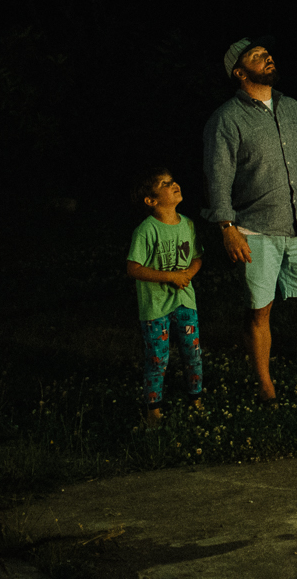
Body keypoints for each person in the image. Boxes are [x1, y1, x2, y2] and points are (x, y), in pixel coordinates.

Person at [204, 37, 297, 402]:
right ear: (240, 72)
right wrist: (227, 228)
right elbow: (218, 177)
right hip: (254, 227)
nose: (268, 57)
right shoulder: (227, 118)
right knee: (260, 309)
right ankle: (265, 384)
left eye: (267, 53)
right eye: (257, 56)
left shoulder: (291, 108)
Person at [125, 167, 204, 426]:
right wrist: (171, 277)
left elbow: (196, 258)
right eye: (165, 183)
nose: (174, 184)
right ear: (151, 200)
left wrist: (188, 274)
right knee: (158, 358)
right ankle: (153, 411)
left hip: (185, 302)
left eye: (173, 181)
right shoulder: (146, 230)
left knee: (192, 353)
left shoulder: (188, 224)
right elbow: (133, 268)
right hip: (155, 306)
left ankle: (196, 401)